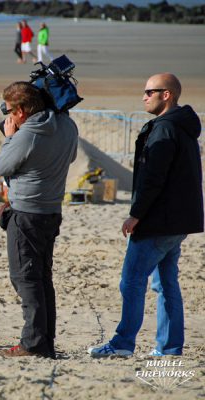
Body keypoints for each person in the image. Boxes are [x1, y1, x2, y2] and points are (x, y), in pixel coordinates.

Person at [89, 73, 203, 358]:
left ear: (167, 95)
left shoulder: (166, 128)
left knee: (131, 280)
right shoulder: (182, 125)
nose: (144, 96)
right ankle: (169, 347)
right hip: (177, 221)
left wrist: (135, 215)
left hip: (160, 220)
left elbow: (154, 178)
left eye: (150, 91)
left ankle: (123, 343)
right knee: (165, 284)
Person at [0, 82, 79, 359]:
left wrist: (9, 137)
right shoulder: (67, 126)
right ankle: (45, 341)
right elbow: (72, 156)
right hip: (51, 211)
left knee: (25, 278)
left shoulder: (28, 133)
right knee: (42, 278)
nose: (7, 115)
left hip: (26, 214)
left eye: (9, 111)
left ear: (20, 111)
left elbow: (3, 167)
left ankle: (33, 344)